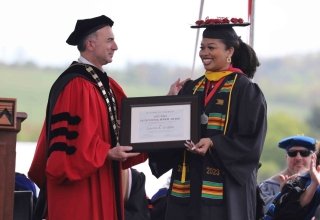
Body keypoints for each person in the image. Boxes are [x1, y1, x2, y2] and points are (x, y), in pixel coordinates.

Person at [28, 15, 148, 220]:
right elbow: (72, 146)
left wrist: (170, 101)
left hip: (102, 178)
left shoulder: (104, 84)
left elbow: (131, 122)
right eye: (109, 40)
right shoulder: (76, 85)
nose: (116, 46)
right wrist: (107, 153)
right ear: (91, 44)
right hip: (80, 190)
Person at [149, 16, 267, 220]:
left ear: (230, 51)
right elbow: (170, 132)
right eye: (202, 47)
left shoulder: (245, 90)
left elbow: (251, 141)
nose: (204, 53)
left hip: (224, 191)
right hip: (186, 188)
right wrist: (168, 103)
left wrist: (214, 143)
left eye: (211, 47)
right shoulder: (190, 87)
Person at [263, 138, 319, 220]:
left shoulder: (316, 183)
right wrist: (284, 194)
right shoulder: (268, 186)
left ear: (313, 157)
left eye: (304, 153)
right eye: (292, 153)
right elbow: (263, 211)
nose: (298, 158)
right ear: (286, 157)